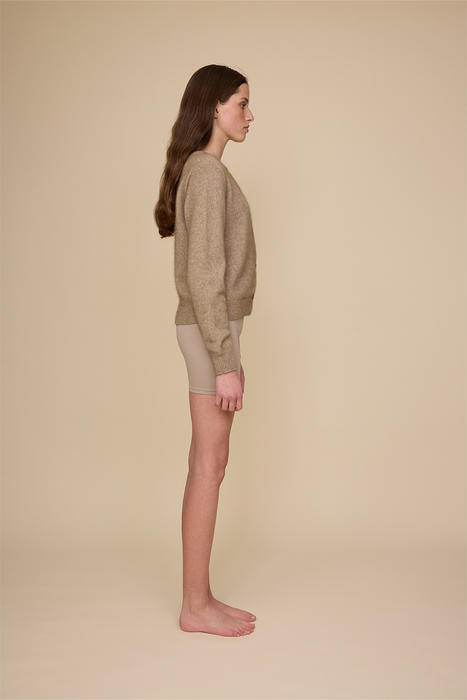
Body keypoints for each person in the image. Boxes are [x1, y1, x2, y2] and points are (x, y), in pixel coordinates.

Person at [154, 65, 257, 637]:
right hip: (208, 331)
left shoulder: (200, 170)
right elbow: (204, 276)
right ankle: (195, 607)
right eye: (241, 103)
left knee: (205, 465)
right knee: (209, 467)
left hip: (207, 329)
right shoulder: (208, 173)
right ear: (214, 107)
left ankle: (201, 597)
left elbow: (204, 276)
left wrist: (226, 352)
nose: (249, 114)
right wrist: (225, 360)